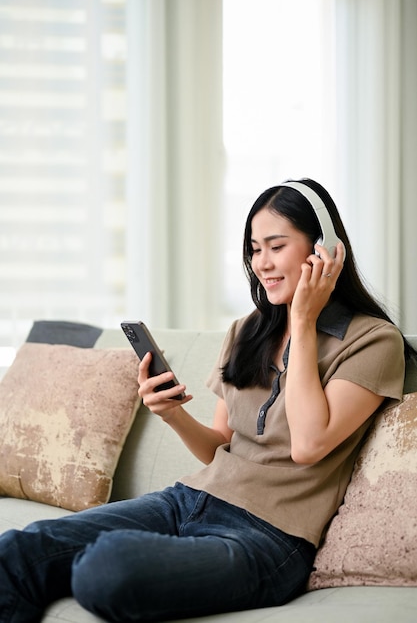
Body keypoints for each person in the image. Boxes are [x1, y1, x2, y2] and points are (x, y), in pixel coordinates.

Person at [0, 178, 412, 622]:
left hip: (268, 536)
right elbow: (221, 444)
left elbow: (309, 444)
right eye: (255, 249)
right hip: (189, 500)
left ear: (324, 249)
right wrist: (172, 413)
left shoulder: (373, 341)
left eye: (276, 246)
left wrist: (305, 321)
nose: (262, 263)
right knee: (18, 550)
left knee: (107, 567)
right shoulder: (246, 331)